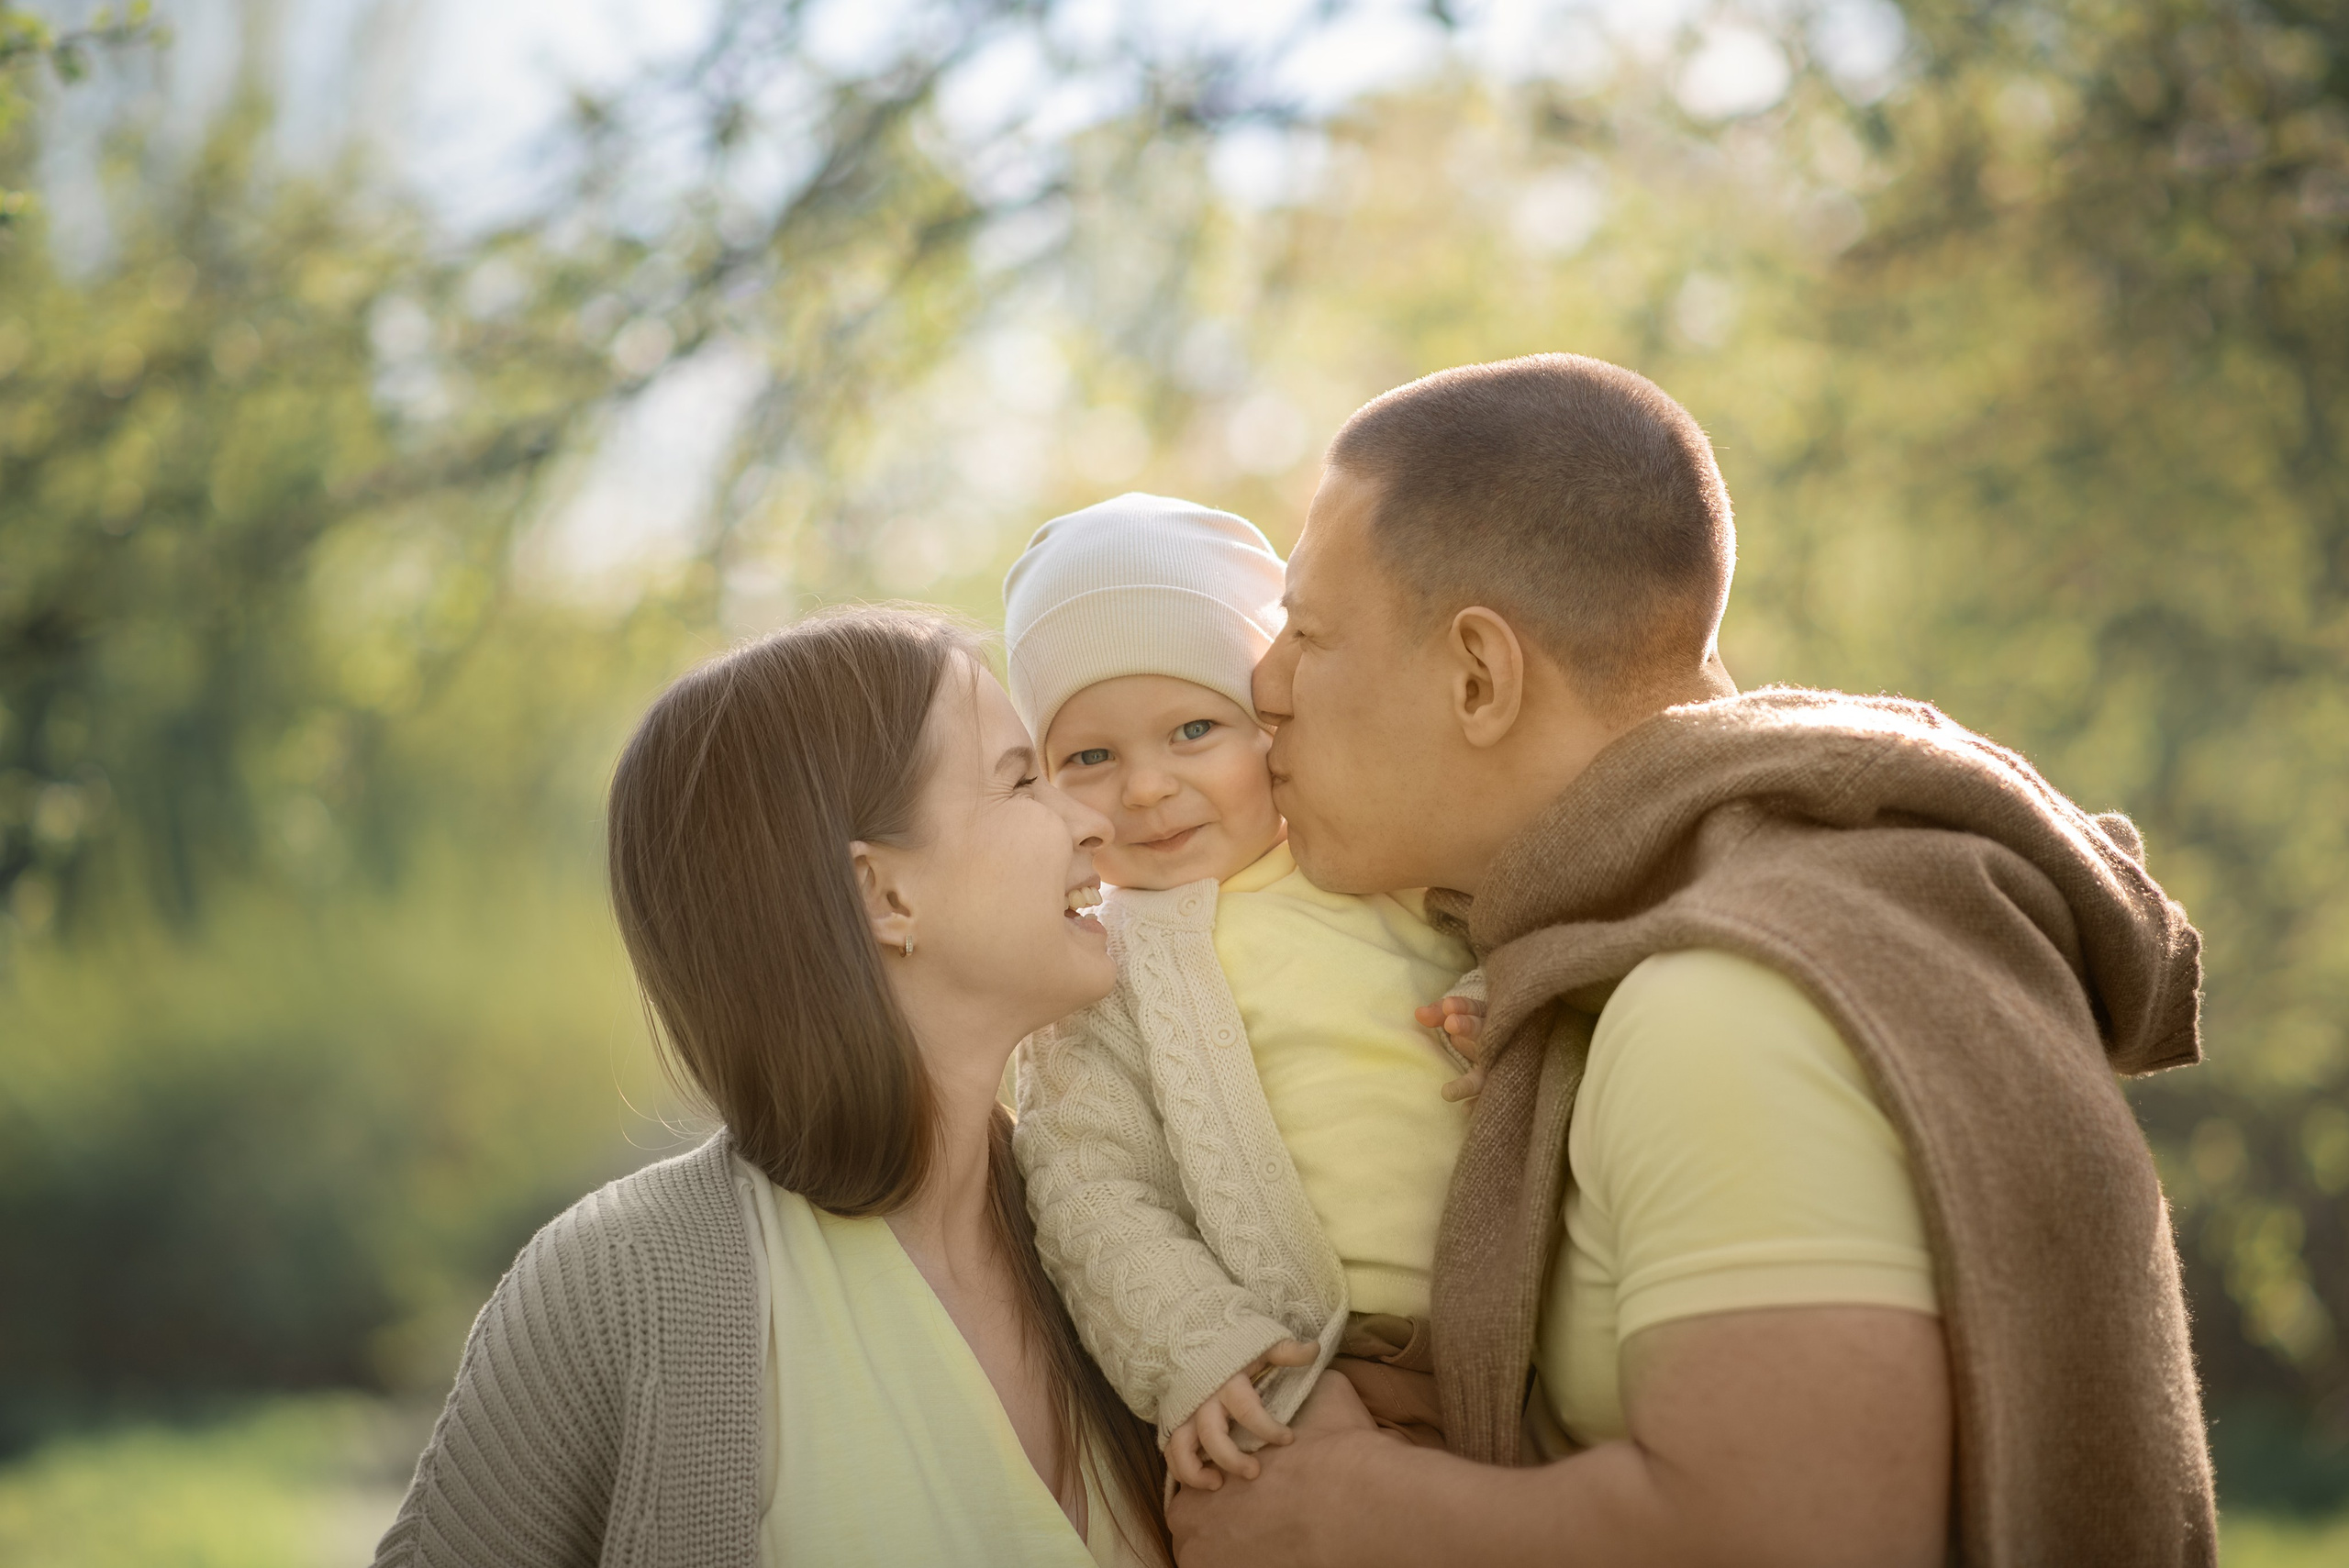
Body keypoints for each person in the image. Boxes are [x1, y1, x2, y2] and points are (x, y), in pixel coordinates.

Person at [1168, 353, 2214, 1568]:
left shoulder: (1722, 1004)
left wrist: (1336, 1513)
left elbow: (1795, 1537)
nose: (1265, 683)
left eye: (1307, 630)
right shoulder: (1741, 938)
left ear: (1478, 675)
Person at [373, 608, 1170, 1568]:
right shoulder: (617, 1285)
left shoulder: (1127, 1229)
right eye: (1019, 779)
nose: (1092, 815)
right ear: (884, 895)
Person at [1002, 495, 1486, 1491]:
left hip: (1514, 1316)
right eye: (1089, 755)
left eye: (1193, 729)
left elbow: (1520, 918)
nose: (1143, 787)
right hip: (1305, 1374)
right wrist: (1192, 1341)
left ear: (1270, 721)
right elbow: (1088, 1186)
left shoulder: (1377, 858)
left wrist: (1498, 987)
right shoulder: (1097, 971)